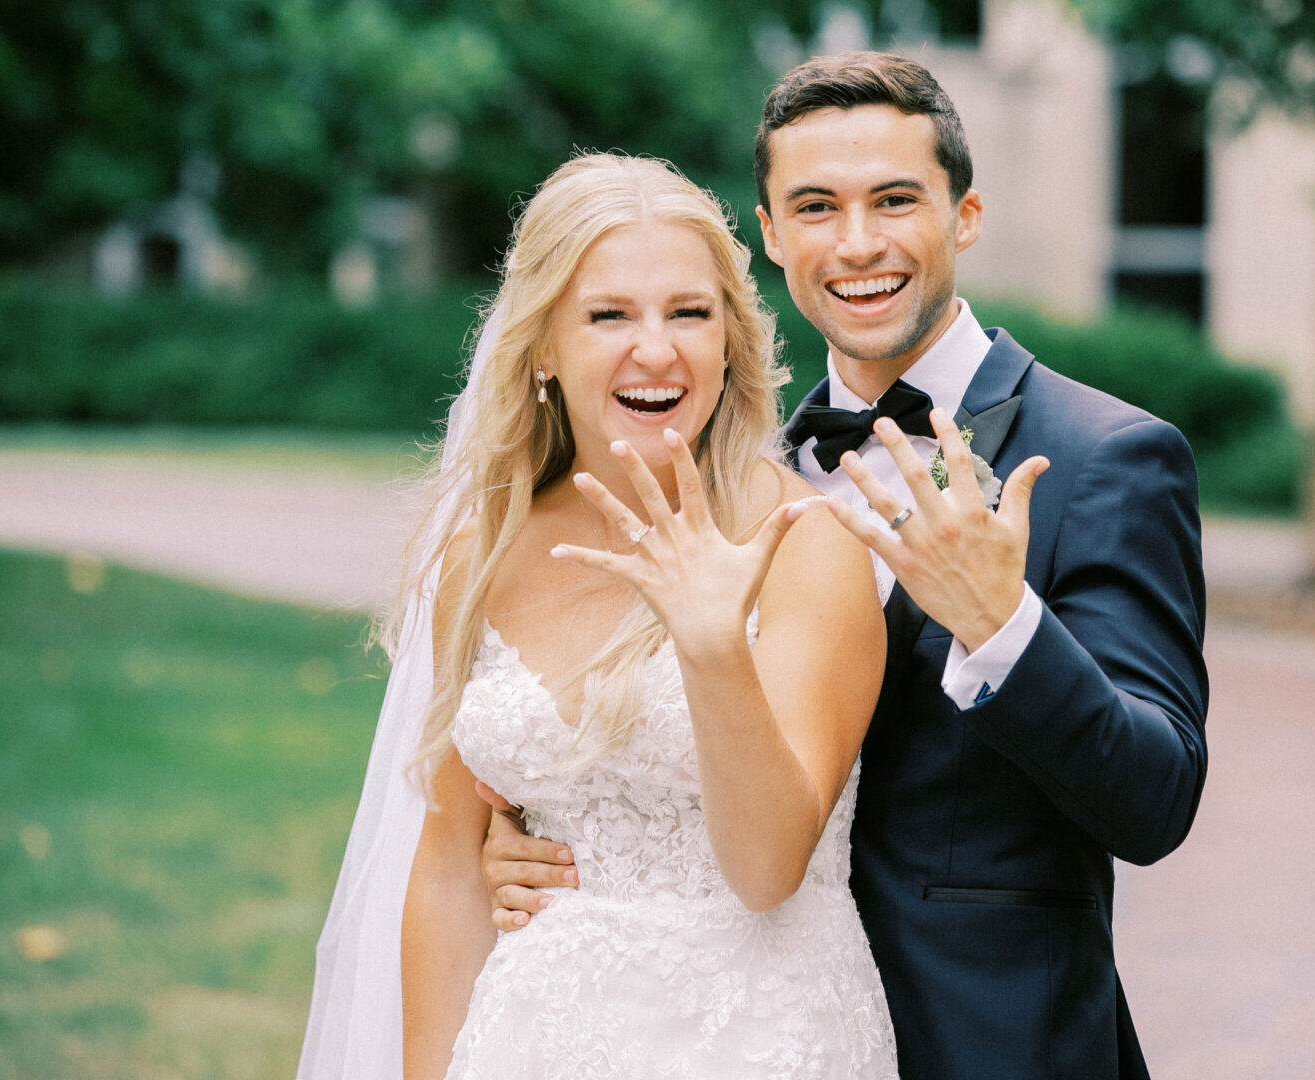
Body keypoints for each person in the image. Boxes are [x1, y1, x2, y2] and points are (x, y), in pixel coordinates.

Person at [481, 53, 1210, 1078]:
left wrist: (1005, 627)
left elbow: (1155, 800)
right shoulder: (730, 472)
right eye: (816, 207)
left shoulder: (1105, 459)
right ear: (772, 234)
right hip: (744, 1034)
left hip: (988, 1042)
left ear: (965, 214)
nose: (857, 243)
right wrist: (527, 843)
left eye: (895, 200)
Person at [298, 153, 898, 1079]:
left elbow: (770, 866)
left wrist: (710, 648)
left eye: (689, 314)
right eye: (609, 314)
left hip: (762, 1041)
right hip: (533, 1040)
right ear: (542, 343)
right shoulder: (483, 554)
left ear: (731, 339)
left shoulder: (803, 542)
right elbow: (453, 866)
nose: (656, 350)